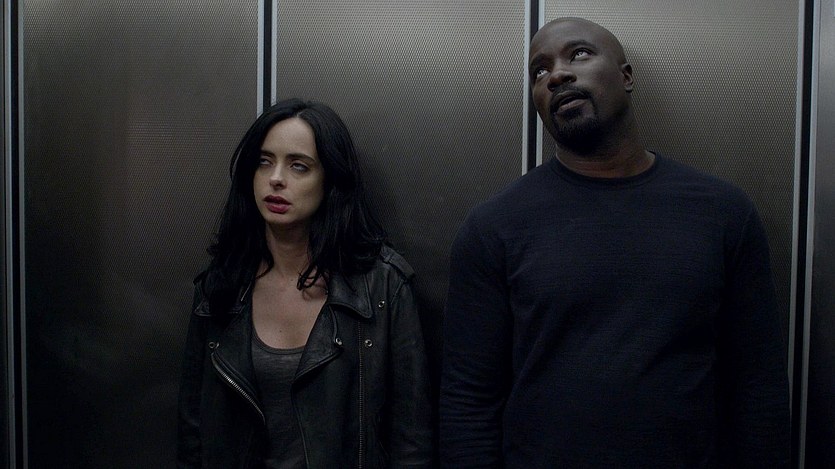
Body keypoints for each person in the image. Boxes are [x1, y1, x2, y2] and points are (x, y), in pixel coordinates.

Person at [439, 17, 789, 468]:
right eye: (540, 71)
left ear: (626, 77)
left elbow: (757, 384)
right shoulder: (495, 226)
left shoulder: (722, 212)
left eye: (579, 54)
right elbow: (469, 399)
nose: (557, 75)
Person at [178, 98, 433, 468]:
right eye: (264, 162)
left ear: (330, 181)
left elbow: (412, 442)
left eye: (299, 166)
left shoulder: (382, 287)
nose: (276, 178)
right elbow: (193, 434)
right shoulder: (220, 287)